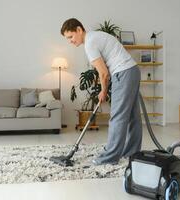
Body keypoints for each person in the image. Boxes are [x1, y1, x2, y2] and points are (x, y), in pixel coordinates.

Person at [60, 18, 142, 165]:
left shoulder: (90, 43)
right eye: (67, 39)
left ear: (79, 30)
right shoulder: (95, 36)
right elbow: (104, 71)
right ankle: (132, 153)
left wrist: (103, 91)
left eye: (70, 37)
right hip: (132, 70)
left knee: (117, 116)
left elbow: (103, 73)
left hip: (123, 72)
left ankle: (109, 158)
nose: (70, 41)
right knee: (132, 116)